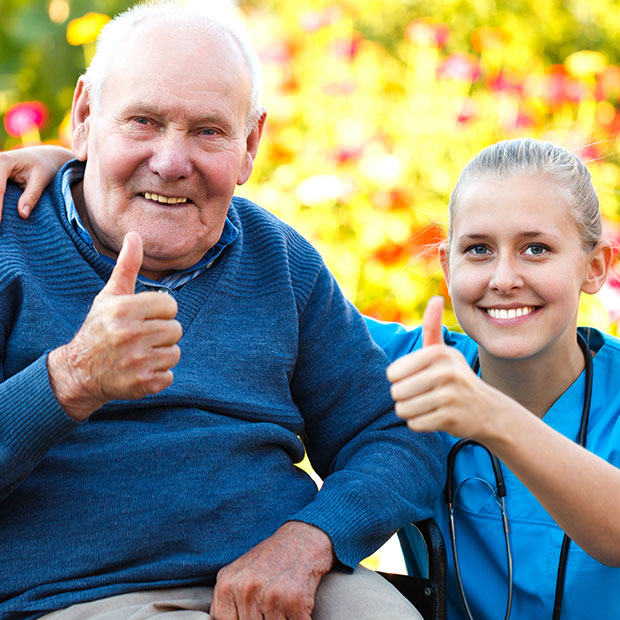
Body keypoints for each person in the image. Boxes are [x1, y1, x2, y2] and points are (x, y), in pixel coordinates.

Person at [0, 2, 445, 619]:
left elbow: (395, 434)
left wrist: (310, 540)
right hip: (76, 597)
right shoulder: (8, 241)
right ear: (84, 116)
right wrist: (70, 378)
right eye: (143, 121)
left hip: (283, 581)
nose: (172, 162)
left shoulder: (280, 260)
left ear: (250, 144)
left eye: (208, 130)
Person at [370, 138, 620, 619]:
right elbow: (288, 301)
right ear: (447, 265)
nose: (504, 277)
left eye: (536, 249)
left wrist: (490, 416)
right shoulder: (408, 364)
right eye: (479, 249)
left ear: (594, 267)